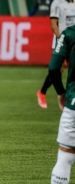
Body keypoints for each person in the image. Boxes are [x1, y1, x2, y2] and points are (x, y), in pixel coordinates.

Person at [37, 0, 75, 109]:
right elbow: (54, 25)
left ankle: (44, 92)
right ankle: (43, 92)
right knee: (58, 68)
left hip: (73, 41)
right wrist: (62, 41)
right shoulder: (57, 3)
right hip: (61, 40)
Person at [49, 24, 75, 184]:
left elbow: (53, 68)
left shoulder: (70, 33)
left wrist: (61, 94)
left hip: (73, 103)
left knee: (65, 156)